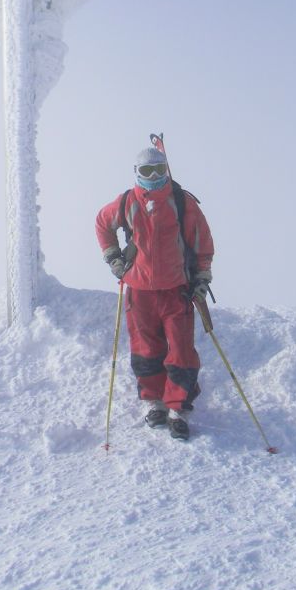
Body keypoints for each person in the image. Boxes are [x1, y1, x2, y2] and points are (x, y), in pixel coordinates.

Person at [94, 146, 215, 440]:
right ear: (136, 173)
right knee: (146, 348)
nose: (153, 176)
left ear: (166, 170)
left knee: (181, 349)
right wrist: (114, 259)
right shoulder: (127, 202)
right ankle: (155, 402)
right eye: (147, 171)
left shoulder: (181, 202)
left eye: (159, 170)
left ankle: (178, 407)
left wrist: (202, 276)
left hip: (176, 289)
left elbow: (202, 241)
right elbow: (102, 224)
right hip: (139, 291)